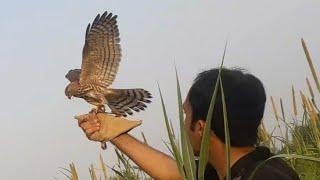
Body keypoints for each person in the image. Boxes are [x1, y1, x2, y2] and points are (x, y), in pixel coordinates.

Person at [76, 68, 300, 180]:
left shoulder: (265, 177)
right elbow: (174, 173)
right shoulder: (224, 171)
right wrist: (113, 132)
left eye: (186, 115)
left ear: (200, 127)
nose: (183, 124)